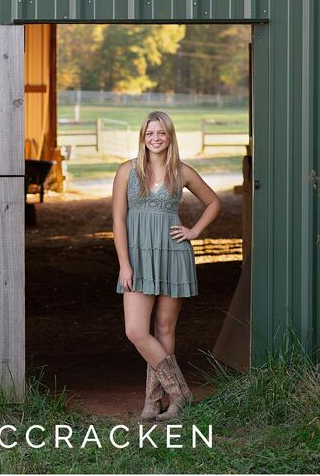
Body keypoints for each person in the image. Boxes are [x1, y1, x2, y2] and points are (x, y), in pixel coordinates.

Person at [111, 111, 221, 422]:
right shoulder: (126, 172)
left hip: (173, 254)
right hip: (137, 257)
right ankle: (181, 394)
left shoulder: (182, 172)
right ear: (142, 138)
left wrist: (194, 231)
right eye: (150, 133)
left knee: (164, 328)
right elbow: (118, 221)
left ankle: (153, 401)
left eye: (161, 133)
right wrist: (124, 264)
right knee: (135, 330)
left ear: (169, 136)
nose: (155, 138)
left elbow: (214, 202)